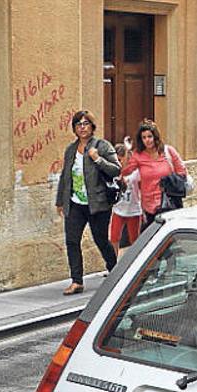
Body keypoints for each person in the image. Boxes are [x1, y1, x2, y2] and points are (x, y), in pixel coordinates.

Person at [55, 111, 120, 296]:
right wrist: (60, 200)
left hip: (98, 203)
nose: (82, 127)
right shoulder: (70, 149)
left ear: (92, 126)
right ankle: (77, 281)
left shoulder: (102, 146)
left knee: (100, 239)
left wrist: (97, 159)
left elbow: (116, 170)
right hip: (75, 203)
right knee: (72, 241)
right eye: (78, 124)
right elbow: (65, 176)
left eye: (85, 123)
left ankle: (115, 271)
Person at [120, 119, 189, 227]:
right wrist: (127, 152)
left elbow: (182, 172)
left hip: (168, 202)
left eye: (149, 136)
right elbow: (125, 171)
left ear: (155, 137)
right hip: (149, 205)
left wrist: (169, 182)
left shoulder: (168, 151)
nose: (147, 140)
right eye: (144, 137)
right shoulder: (138, 155)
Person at [109, 142, 143, 255]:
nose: (118, 162)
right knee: (114, 237)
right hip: (118, 209)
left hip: (133, 210)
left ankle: (135, 260)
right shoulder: (113, 171)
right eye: (116, 160)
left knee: (135, 239)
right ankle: (113, 263)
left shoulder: (135, 171)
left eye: (120, 159)